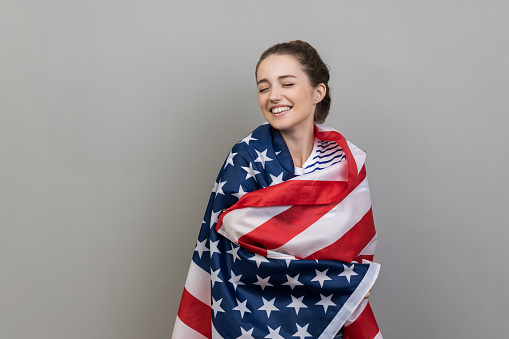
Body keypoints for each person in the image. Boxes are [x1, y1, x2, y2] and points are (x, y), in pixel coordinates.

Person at [172, 41, 381, 339]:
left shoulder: (344, 162)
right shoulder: (245, 158)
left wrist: (347, 279)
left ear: (317, 92)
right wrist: (347, 281)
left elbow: (354, 246)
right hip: (254, 322)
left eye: (287, 83)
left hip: (326, 320)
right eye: (264, 87)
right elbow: (235, 255)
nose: (274, 96)